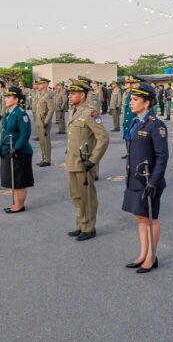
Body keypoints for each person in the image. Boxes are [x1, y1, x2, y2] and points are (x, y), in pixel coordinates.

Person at [122, 83, 168, 273]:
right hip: (135, 177)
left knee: (151, 218)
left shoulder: (156, 125)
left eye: (135, 100)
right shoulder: (136, 122)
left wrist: (154, 182)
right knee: (140, 218)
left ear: (147, 102)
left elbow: (162, 156)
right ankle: (143, 254)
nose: (131, 103)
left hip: (149, 180)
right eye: (131, 99)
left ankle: (152, 257)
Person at [65, 79, 109, 241]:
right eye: (69, 93)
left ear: (82, 95)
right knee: (76, 196)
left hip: (84, 162)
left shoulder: (90, 112)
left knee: (87, 197)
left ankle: (89, 227)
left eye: (73, 93)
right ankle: (81, 224)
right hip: (72, 161)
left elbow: (103, 138)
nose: (70, 96)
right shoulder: (74, 111)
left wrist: (93, 160)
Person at [0, 86, 34, 213]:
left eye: (9, 97)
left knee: (19, 180)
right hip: (9, 149)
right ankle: (16, 203)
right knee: (12, 179)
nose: (6, 99)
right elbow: (3, 132)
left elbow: (25, 134)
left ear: (16, 99)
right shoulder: (9, 112)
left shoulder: (20, 113)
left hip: (19, 152)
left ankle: (19, 205)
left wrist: (16, 148)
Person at [33, 77, 55, 167]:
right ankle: (43, 158)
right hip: (38, 120)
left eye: (41, 84)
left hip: (44, 121)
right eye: (38, 84)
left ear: (46, 84)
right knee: (41, 141)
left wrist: (46, 121)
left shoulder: (48, 95)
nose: (38, 85)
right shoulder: (38, 94)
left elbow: (51, 109)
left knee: (45, 140)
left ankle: (47, 159)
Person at [121, 76, 138, 159]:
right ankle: (128, 153)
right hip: (127, 118)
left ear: (132, 84)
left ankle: (132, 153)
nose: (125, 84)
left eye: (127, 83)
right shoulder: (126, 93)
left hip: (132, 117)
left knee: (132, 137)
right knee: (127, 136)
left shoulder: (134, 94)